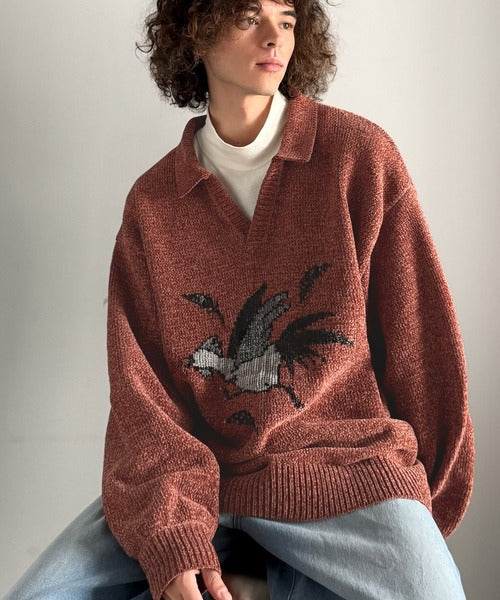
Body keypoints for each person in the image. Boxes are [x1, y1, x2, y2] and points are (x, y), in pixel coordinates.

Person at [2, 1, 475, 600]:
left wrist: (421, 512)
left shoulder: (359, 157)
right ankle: (262, 583)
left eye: (288, 18)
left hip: (344, 473)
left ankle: (261, 587)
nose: (276, 37)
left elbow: (422, 344)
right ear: (195, 33)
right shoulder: (153, 205)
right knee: (39, 594)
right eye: (250, 16)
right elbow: (144, 402)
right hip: (195, 483)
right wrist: (174, 539)